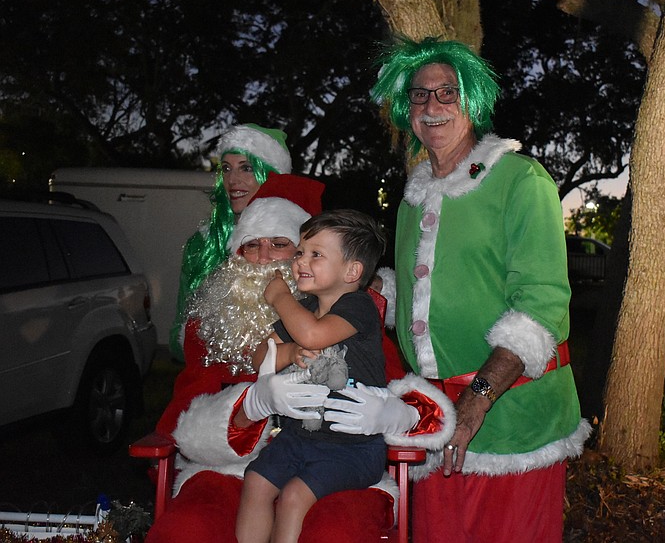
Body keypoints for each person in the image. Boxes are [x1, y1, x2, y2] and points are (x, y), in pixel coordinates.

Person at [364, 36, 592, 542]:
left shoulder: (520, 179)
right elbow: (412, 291)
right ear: (408, 110)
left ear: (473, 100)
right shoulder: (413, 197)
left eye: (448, 92)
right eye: (420, 95)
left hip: (515, 423)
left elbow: (541, 305)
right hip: (434, 419)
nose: (433, 105)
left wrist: (477, 399)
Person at [146, 175, 455, 543]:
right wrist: (254, 402)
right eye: (251, 246)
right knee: (190, 528)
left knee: (333, 529)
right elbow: (183, 417)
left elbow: (405, 393)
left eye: (280, 245)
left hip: (343, 449)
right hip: (234, 465)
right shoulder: (209, 325)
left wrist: (397, 413)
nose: (264, 258)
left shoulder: (349, 309)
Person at [236, 209, 392, 543]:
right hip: (299, 435)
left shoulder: (358, 306)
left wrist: (280, 298)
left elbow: (314, 336)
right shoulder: (304, 308)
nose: (300, 262)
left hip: (353, 446)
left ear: (352, 271)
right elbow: (260, 357)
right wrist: (288, 353)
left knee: (293, 495)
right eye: (300, 253)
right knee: (256, 482)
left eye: (316, 254)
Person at [169, 123, 322, 361]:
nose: (233, 179)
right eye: (226, 169)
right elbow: (181, 319)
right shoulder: (203, 243)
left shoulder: (307, 232)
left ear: (272, 174)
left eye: (247, 168)